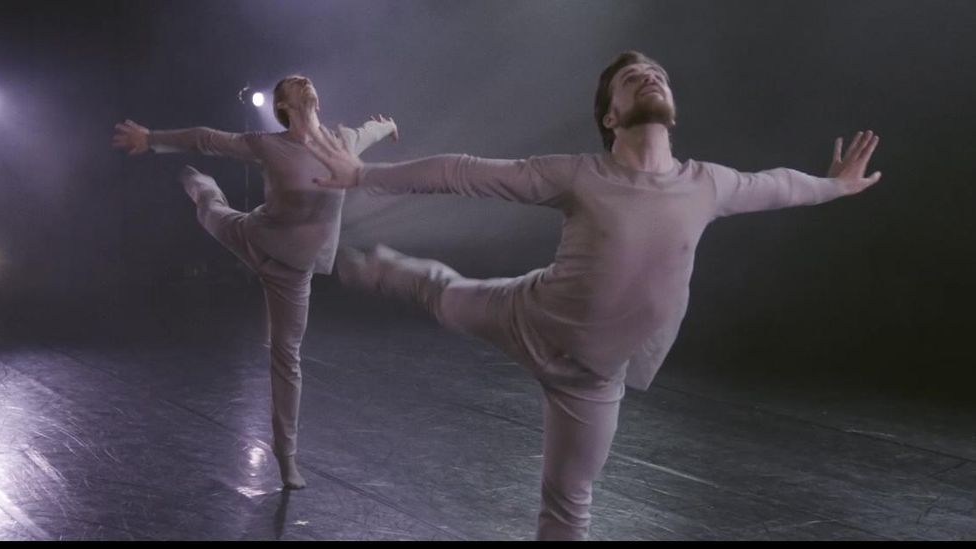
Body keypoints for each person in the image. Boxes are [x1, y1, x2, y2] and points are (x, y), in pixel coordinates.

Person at [307, 50, 881, 540]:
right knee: (444, 297)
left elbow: (778, 184)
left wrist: (835, 185)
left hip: (592, 380)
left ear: (673, 106)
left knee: (567, 506)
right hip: (527, 315)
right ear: (611, 115)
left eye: (656, 73)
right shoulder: (578, 174)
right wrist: (362, 177)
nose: (649, 76)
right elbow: (464, 172)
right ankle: (391, 270)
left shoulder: (708, 184)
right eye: (632, 78)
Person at [111, 75, 398, 489]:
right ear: (285, 107)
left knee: (287, 360)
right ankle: (202, 188)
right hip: (254, 236)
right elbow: (208, 137)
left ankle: (287, 460)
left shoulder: (342, 141)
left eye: (310, 90)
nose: (307, 95)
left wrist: (388, 126)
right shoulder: (268, 144)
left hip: (291, 275)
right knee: (212, 211)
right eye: (299, 93)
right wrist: (152, 138)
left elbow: (371, 130)